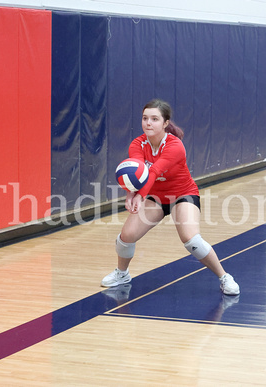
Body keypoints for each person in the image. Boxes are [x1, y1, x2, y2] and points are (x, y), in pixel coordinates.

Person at [101, 99, 240, 295]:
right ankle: (122, 273)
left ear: (165, 123)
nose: (148, 123)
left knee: (192, 241)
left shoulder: (175, 146)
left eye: (154, 119)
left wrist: (139, 197)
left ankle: (224, 276)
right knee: (126, 236)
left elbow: (153, 172)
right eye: (145, 118)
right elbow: (136, 174)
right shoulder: (138, 144)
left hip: (182, 194)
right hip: (156, 197)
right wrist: (130, 194)